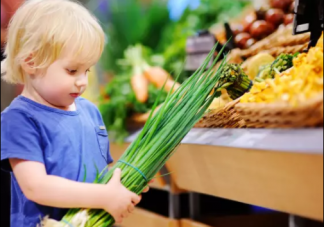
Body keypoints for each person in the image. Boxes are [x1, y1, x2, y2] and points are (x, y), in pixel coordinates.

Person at [0, 0, 150, 226]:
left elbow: (100, 173)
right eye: (72, 70)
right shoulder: (19, 119)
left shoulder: (90, 111)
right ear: (31, 61)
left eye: (87, 70)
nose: (82, 82)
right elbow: (36, 187)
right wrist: (105, 197)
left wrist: (124, 182)